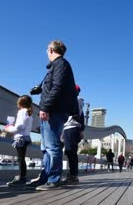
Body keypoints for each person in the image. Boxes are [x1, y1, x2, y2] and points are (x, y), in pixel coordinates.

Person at [26, 40, 79, 191]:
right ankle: (46, 177)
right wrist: (41, 91)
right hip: (53, 109)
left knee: (52, 146)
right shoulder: (58, 65)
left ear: (51, 49)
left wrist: (45, 107)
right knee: (47, 147)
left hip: (54, 111)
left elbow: (57, 87)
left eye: (47, 50)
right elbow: (55, 88)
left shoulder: (60, 64)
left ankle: (54, 179)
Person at [5, 95, 33, 187]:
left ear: (20, 103)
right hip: (26, 137)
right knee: (22, 159)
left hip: (20, 138)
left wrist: (9, 128)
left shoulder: (22, 112)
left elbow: (19, 126)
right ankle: (23, 176)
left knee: (20, 159)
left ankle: (22, 178)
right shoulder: (29, 113)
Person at [61, 85, 85, 184]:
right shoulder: (78, 103)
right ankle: (72, 174)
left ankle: (73, 176)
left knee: (70, 152)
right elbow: (82, 118)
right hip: (71, 129)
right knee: (71, 152)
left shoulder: (75, 101)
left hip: (70, 128)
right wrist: (81, 129)